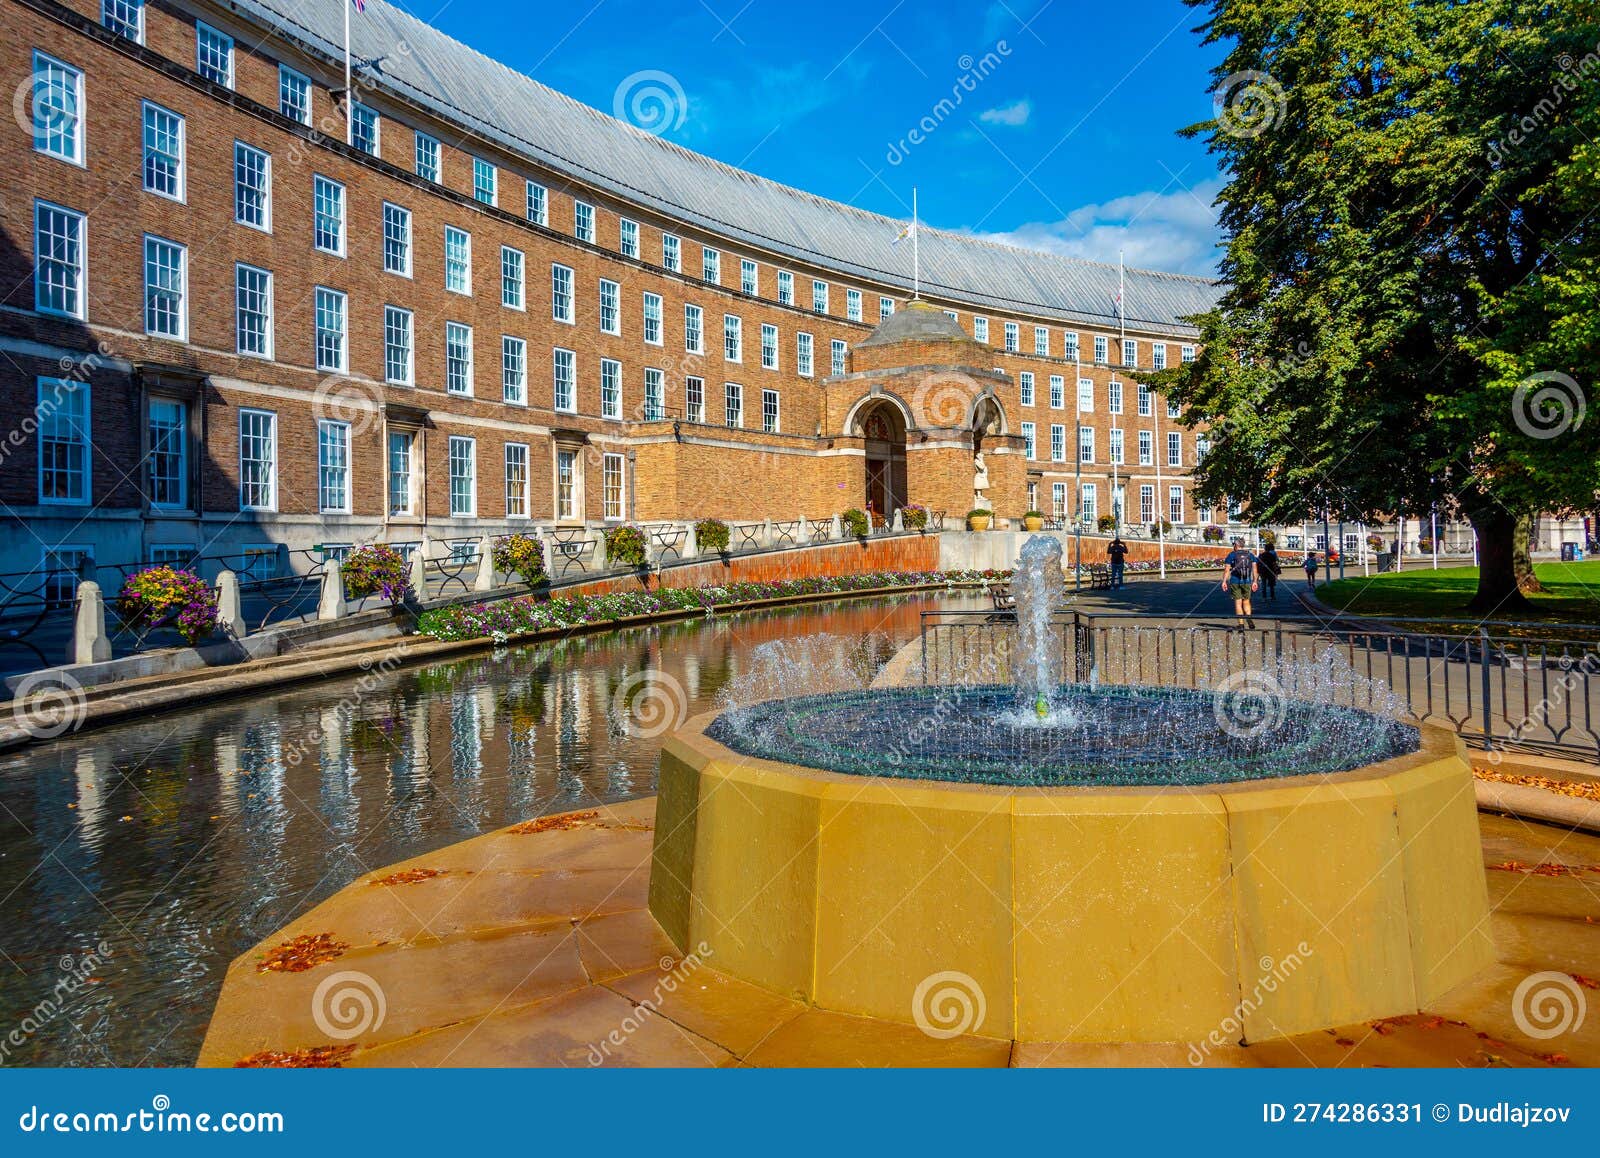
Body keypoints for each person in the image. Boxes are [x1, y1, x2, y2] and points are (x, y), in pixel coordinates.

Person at [1221, 537, 1258, 626]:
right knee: (1246, 601)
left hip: (1235, 581)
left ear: (1236, 545)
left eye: (1234, 545)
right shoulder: (1250, 555)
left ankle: (1241, 624)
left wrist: (1224, 581)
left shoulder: (1232, 555)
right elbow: (1255, 569)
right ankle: (1249, 618)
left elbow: (1227, 570)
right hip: (1247, 581)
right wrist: (1255, 581)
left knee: (1238, 603)